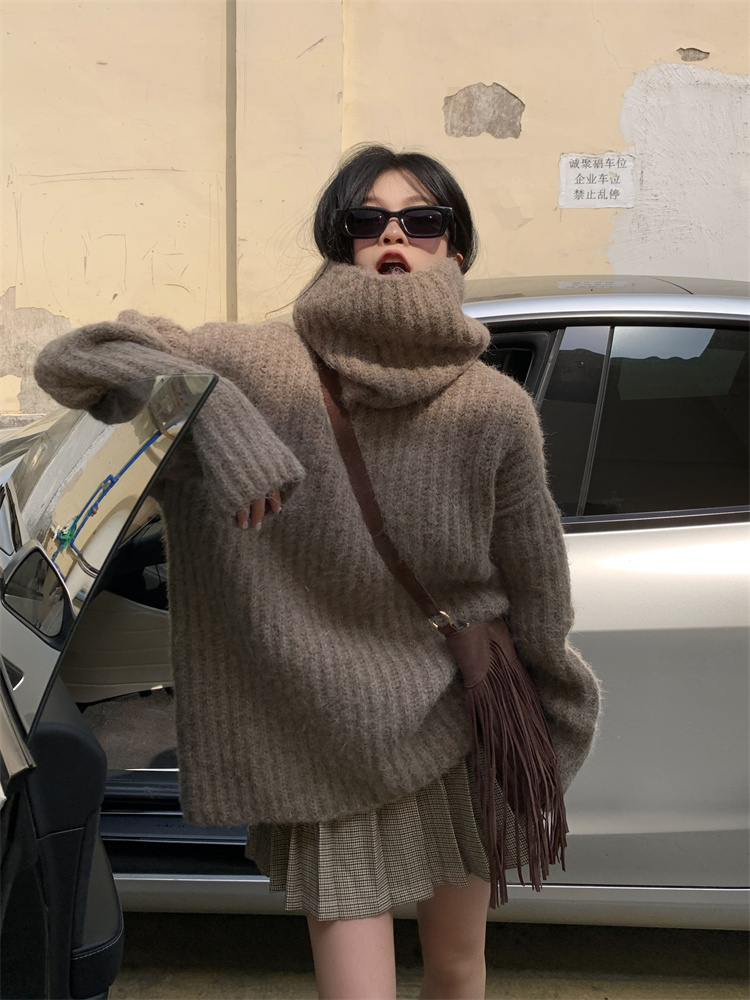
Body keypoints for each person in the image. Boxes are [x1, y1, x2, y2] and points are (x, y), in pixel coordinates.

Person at [34, 144, 601, 1000]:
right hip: (322, 740)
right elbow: (74, 357)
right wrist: (216, 408)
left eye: (422, 219)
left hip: (463, 718)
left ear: (455, 246)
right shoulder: (263, 365)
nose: (394, 236)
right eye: (367, 220)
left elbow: (539, 590)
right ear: (342, 243)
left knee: (458, 968)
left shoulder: (495, 408)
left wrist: (554, 710)